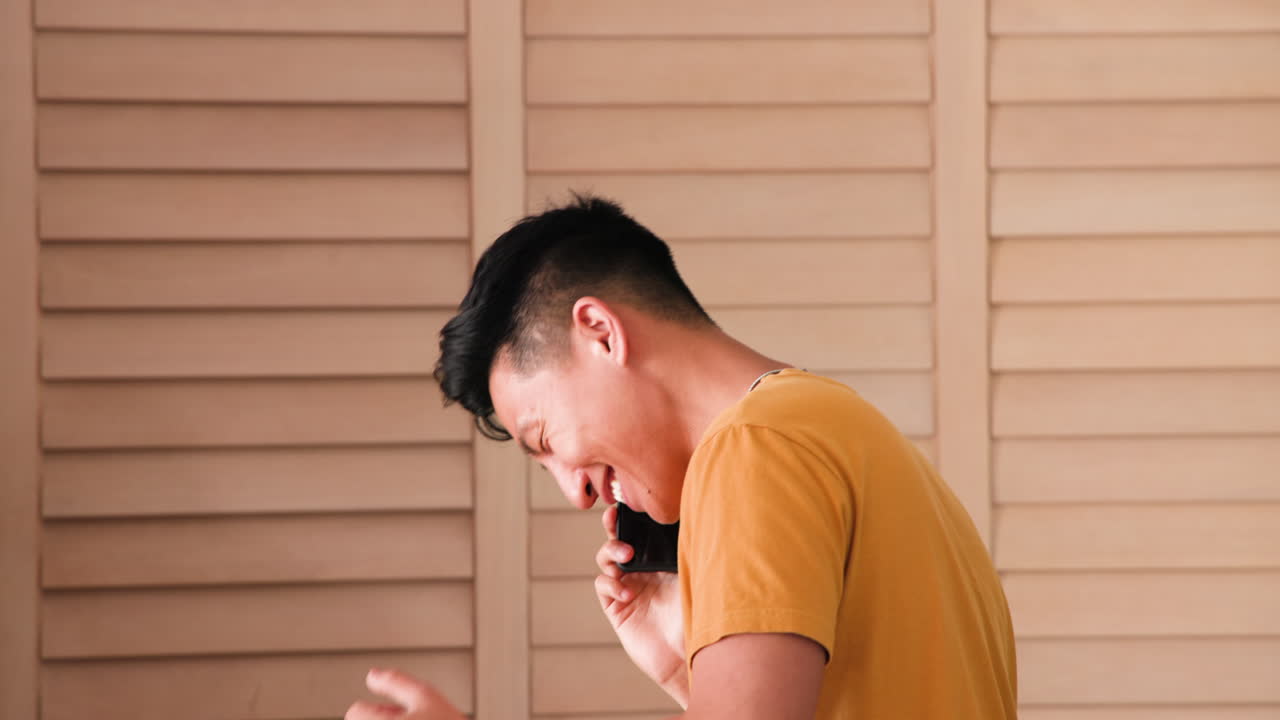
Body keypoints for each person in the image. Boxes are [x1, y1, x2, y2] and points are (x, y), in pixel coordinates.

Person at [345, 196, 1018, 720]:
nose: (574, 492)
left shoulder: (757, 447)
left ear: (601, 333)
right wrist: (682, 668)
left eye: (545, 440)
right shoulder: (844, 433)